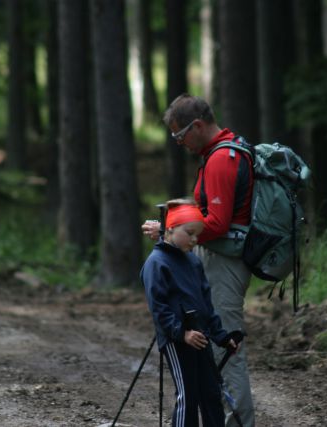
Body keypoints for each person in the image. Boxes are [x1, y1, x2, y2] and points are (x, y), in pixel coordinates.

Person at [142, 94, 255, 427]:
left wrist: (170, 229)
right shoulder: (226, 151)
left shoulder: (221, 159)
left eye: (180, 136)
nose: (180, 144)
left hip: (224, 264)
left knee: (225, 352)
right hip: (221, 260)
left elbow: (217, 223)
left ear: (198, 126)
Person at [141, 199, 238, 427]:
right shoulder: (156, 263)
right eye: (190, 233)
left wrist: (222, 337)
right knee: (188, 395)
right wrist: (181, 333)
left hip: (201, 337)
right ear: (171, 229)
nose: (195, 239)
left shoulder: (193, 261)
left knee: (211, 393)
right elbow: (159, 308)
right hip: (177, 340)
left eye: (198, 235)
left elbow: (206, 305)